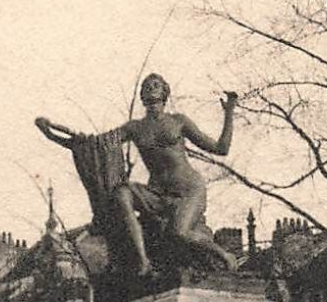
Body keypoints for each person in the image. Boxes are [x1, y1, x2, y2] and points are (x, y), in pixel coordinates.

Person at [37, 73, 238, 277]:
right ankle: (143, 262)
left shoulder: (178, 121)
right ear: (142, 95)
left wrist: (229, 112)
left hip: (188, 190)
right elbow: (93, 144)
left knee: (179, 233)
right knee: (122, 194)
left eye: (156, 85)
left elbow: (221, 148)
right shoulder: (135, 127)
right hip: (157, 194)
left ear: (164, 92)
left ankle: (224, 255)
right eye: (147, 86)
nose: (151, 88)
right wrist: (51, 132)